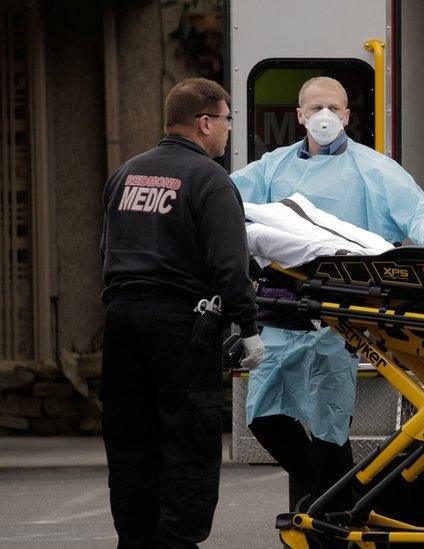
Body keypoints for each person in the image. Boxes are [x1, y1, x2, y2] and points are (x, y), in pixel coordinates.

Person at [231, 76, 424, 515]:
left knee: (331, 424)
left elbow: (421, 216)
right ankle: (344, 501)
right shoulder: (273, 167)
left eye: (333, 107)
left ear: (348, 115)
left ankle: (333, 516)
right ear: (299, 115)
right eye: (314, 108)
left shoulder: (375, 170)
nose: (324, 116)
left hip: (343, 312)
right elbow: (222, 196)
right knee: (264, 416)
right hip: (285, 307)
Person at [100, 78, 265, 549]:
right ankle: (177, 542)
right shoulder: (210, 179)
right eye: (228, 119)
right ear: (205, 122)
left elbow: (107, 253)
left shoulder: (127, 174)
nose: (230, 130)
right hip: (180, 327)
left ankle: (135, 540)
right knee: (188, 439)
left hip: (123, 322)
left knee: (131, 442)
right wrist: (248, 327)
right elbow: (229, 265)